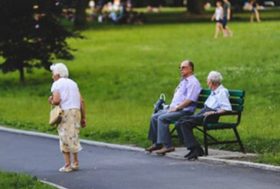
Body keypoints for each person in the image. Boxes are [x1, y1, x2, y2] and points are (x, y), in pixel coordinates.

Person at [146, 60, 202, 155]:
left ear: (191, 69)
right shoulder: (184, 81)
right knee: (154, 116)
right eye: (180, 67)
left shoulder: (193, 82)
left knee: (162, 118)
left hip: (184, 111)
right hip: (175, 109)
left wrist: (177, 107)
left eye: (183, 67)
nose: (181, 69)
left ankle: (168, 146)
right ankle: (157, 143)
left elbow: (190, 100)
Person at [176, 71, 232, 160]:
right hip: (204, 113)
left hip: (210, 116)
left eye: (207, 81)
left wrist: (213, 112)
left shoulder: (222, 92)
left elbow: (227, 108)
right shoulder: (214, 91)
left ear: (211, 82)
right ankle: (194, 148)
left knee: (184, 123)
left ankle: (195, 149)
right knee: (179, 121)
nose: (207, 83)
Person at [48, 63, 86, 172]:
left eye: (53, 74)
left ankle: (67, 165)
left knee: (64, 137)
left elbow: (56, 100)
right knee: (73, 135)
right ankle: (75, 162)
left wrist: (50, 100)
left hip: (65, 112)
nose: (52, 76)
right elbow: (81, 101)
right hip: (76, 111)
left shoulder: (56, 84)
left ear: (57, 74)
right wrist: (84, 117)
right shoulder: (73, 83)